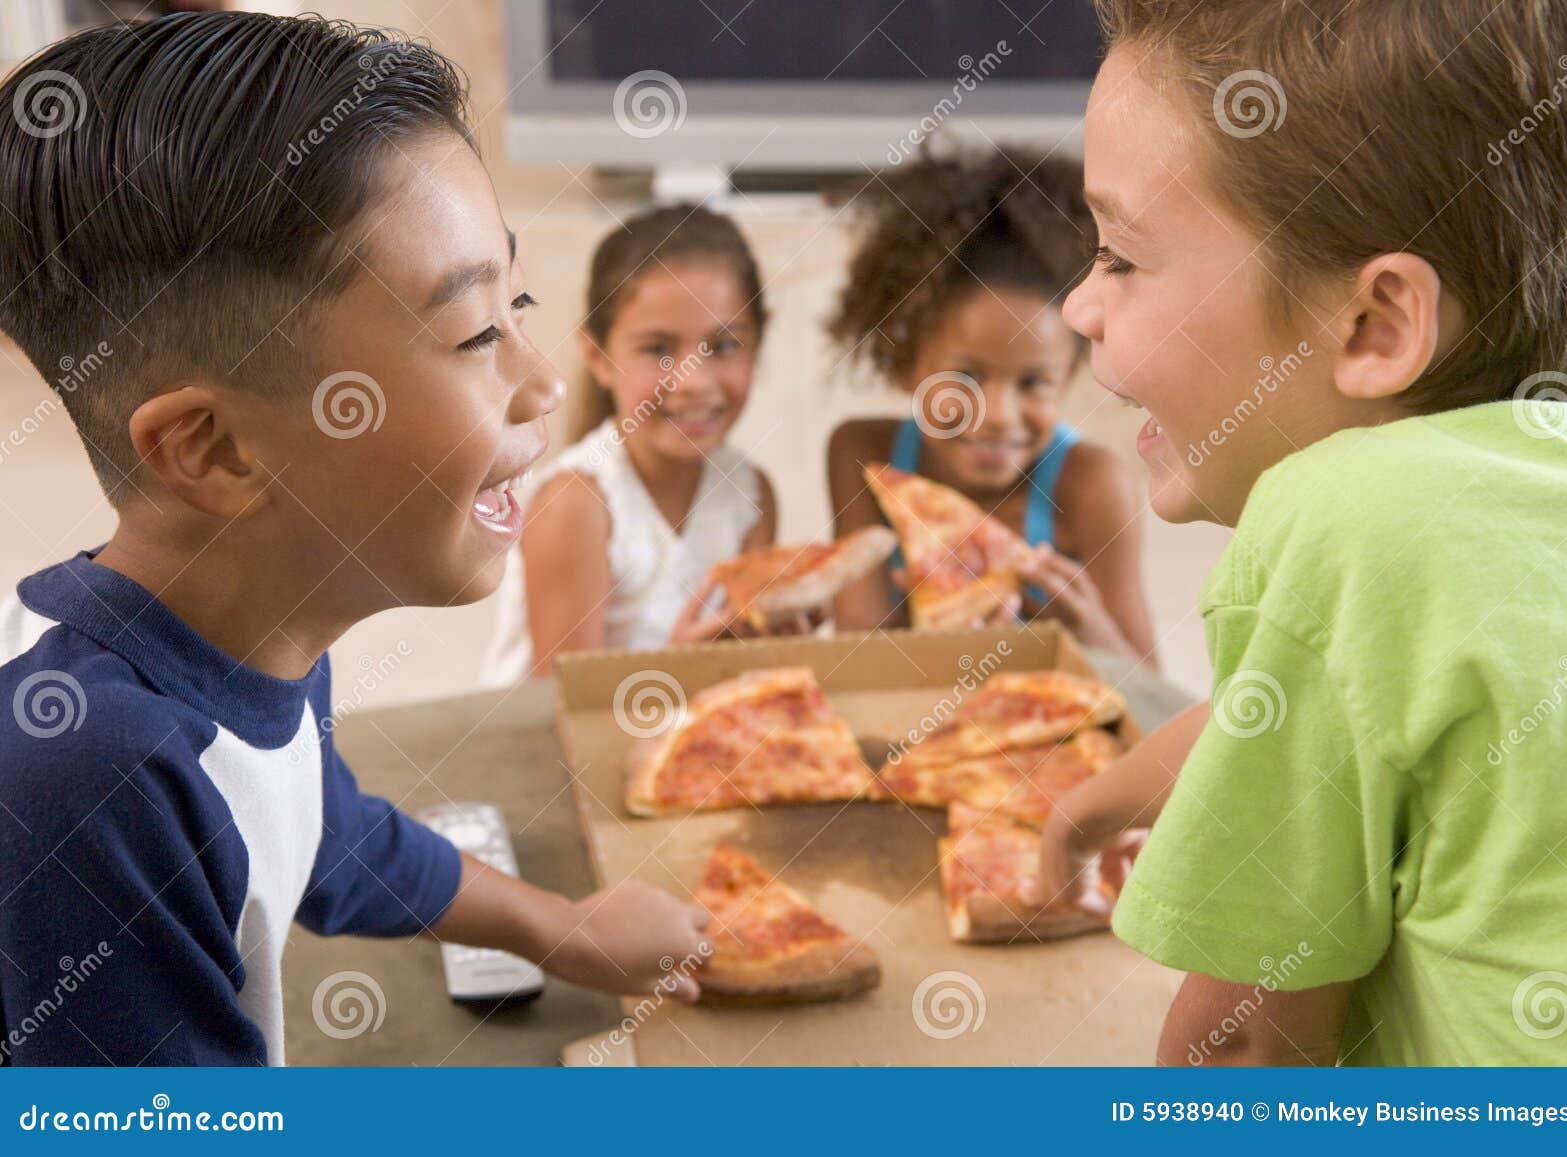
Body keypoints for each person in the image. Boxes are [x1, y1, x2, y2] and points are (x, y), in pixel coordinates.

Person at [0, 12, 708, 1065]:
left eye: (515, 299)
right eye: (474, 334)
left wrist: (562, 927)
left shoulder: (259, 617)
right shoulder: (88, 779)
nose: (547, 381)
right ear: (215, 450)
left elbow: (320, 828)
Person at [1034, 0, 1567, 1065]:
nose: (1076, 305)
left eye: (1118, 258)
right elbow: (1347, 707)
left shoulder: (1341, 516)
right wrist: (1092, 805)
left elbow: (1244, 1048)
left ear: (1373, 325)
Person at [825, 147, 1155, 665]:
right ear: (904, 361)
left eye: (1032, 382)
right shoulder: (864, 457)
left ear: (1069, 372)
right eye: (966, 378)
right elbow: (857, 661)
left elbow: (1149, 695)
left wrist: (1086, 631)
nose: (998, 415)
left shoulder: (1093, 486)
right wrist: (942, 614)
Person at [485, 205, 785, 682]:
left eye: (724, 345)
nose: (693, 381)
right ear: (598, 358)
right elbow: (565, 715)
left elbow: (739, 680)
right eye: (658, 350)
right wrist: (679, 667)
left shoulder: (751, 495)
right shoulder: (577, 505)